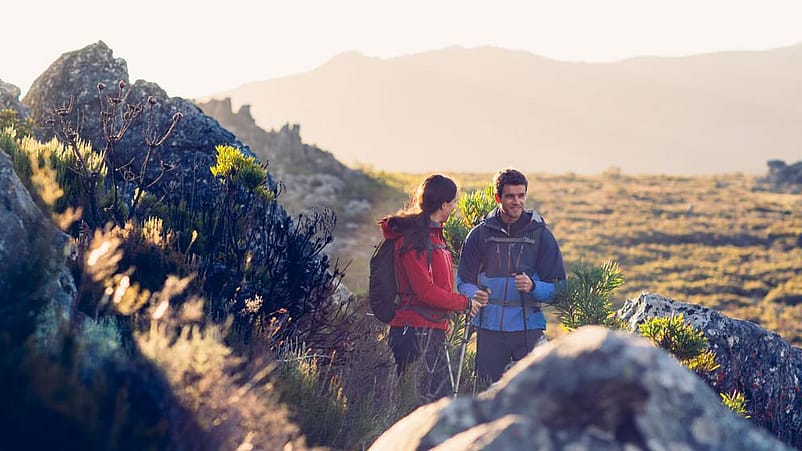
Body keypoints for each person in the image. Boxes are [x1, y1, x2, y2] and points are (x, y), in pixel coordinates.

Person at [379, 174, 484, 403]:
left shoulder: (433, 236)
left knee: (432, 403)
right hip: (414, 332)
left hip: (427, 330)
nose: (455, 207)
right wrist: (464, 303)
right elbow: (424, 291)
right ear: (444, 204)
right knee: (428, 405)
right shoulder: (414, 240)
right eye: (453, 202)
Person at [457, 168, 566, 383]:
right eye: (510, 196)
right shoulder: (480, 234)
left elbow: (560, 287)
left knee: (534, 393)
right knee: (487, 391)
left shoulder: (540, 234)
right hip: (489, 330)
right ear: (498, 198)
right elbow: (463, 280)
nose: (517, 201)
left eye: (521, 195)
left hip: (528, 329)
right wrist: (475, 293)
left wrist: (533, 287)